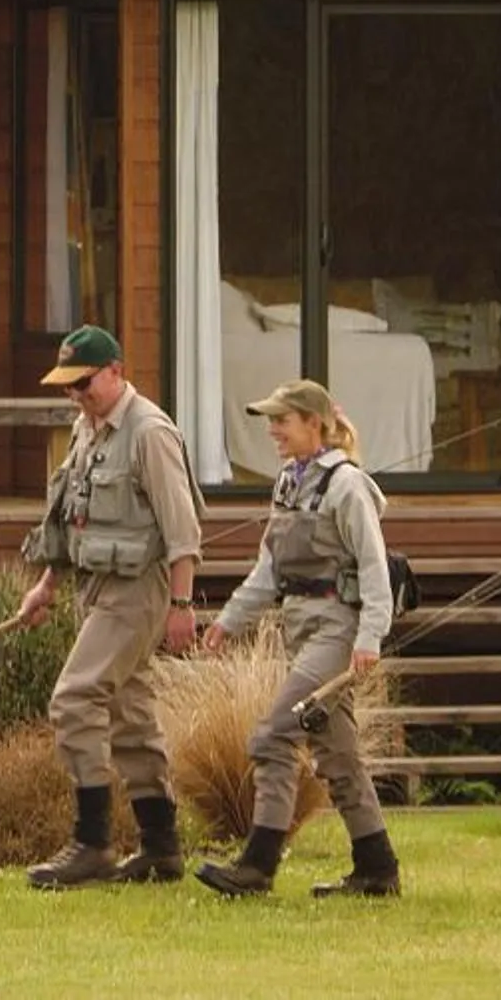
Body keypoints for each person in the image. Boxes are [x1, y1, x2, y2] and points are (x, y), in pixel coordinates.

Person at [12, 323, 205, 889]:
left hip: (138, 589)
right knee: (130, 714)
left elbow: (183, 528)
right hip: (96, 585)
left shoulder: (149, 433)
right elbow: (72, 514)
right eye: (69, 386)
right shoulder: (86, 429)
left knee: (75, 698)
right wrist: (47, 584)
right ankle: (161, 847)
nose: (76, 394)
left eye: (85, 383)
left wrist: (181, 603)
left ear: (117, 371)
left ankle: (93, 843)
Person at [195, 379, 402, 898]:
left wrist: (370, 637)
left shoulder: (347, 485)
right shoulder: (288, 482)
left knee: (273, 735)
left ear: (314, 424)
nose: (272, 431)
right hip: (300, 626)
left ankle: (257, 867)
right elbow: (269, 569)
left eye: (281, 420)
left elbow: (375, 570)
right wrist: (228, 622)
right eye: (270, 421)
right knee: (337, 756)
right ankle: (377, 870)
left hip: (338, 630)